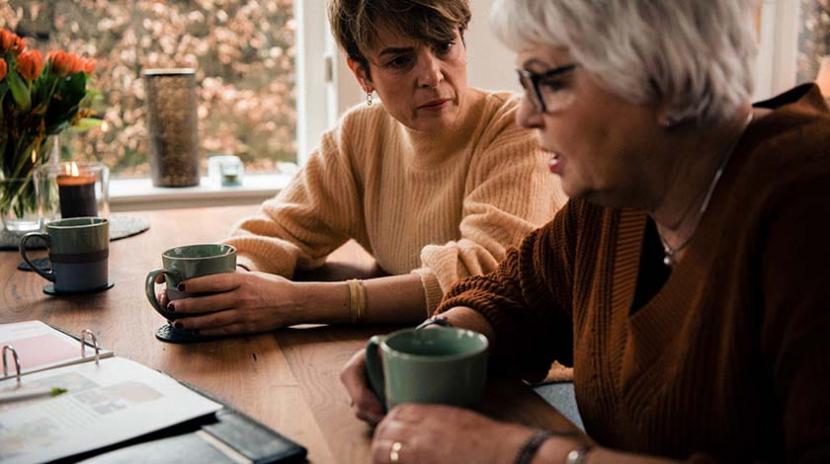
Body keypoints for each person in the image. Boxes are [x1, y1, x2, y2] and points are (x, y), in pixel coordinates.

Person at [341, 0, 830, 462]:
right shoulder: (617, 194)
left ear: (657, 74)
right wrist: (428, 342)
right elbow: (514, 297)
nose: (524, 114)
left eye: (546, 83)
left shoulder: (808, 208)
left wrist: (521, 454)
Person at [163, 0, 563, 336]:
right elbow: (281, 228)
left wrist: (295, 304)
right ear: (362, 74)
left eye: (444, 46)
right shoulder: (360, 134)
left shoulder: (519, 128)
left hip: (534, 380)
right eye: (400, 61)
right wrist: (229, 284)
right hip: (417, 351)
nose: (432, 75)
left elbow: (481, 281)